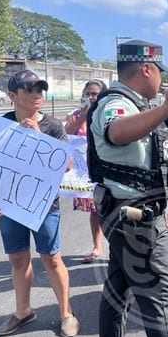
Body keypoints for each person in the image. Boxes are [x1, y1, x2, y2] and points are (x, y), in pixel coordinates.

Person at [88, 39, 168, 337]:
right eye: (159, 74)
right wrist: (167, 109)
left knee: (117, 292)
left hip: (127, 216)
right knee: (160, 302)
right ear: (146, 69)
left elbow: (144, 155)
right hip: (137, 220)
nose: (161, 82)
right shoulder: (118, 102)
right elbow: (117, 132)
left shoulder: (137, 105)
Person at [0, 69, 80, 337]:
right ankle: (23, 311)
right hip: (10, 205)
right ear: (12, 96)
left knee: (52, 258)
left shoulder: (52, 126)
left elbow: (67, 164)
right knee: (18, 258)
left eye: (39, 90)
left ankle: (66, 312)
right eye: (29, 90)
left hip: (43, 205)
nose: (37, 95)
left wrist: (38, 137)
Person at [65, 79, 108, 263]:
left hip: (105, 168)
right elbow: (67, 134)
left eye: (95, 94)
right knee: (94, 211)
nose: (91, 97)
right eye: (88, 93)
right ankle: (97, 247)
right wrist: (83, 116)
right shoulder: (76, 115)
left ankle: (116, 249)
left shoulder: (107, 113)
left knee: (109, 210)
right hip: (85, 173)